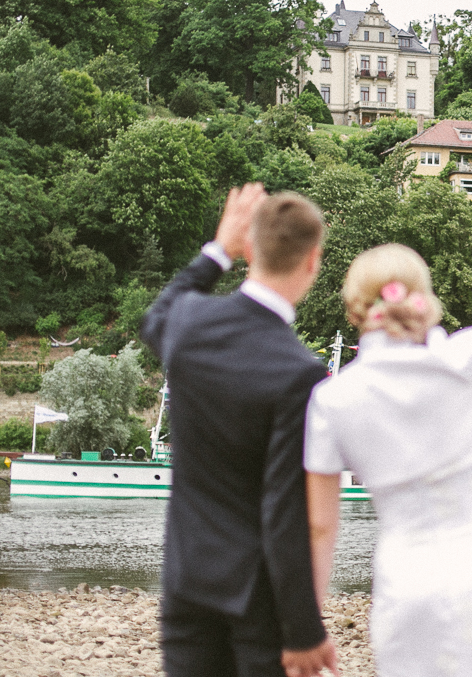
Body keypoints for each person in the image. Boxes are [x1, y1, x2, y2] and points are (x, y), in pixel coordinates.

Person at [302, 149, 472, 677]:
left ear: (355, 309)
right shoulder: (459, 358)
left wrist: (308, 626)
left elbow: (318, 528)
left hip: (408, 576)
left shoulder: (331, 400)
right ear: (424, 297)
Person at [139, 186, 337, 677]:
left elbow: (155, 317)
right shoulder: (300, 371)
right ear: (313, 261)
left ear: (250, 249)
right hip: (257, 598)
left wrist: (217, 250)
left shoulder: (189, 323)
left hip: (186, 578)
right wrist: (304, 629)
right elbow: (283, 509)